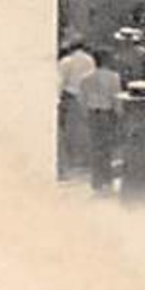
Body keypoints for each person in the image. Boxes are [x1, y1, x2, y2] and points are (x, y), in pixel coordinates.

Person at [78, 48, 123, 192]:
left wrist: (85, 114)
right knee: (107, 148)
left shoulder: (85, 78)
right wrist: (119, 114)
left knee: (95, 147)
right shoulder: (113, 77)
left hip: (92, 113)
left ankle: (96, 180)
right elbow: (115, 97)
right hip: (107, 113)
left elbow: (82, 99)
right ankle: (107, 180)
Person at [57, 34, 95, 178]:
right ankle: (85, 159)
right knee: (84, 127)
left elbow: (60, 82)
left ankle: (74, 160)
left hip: (71, 96)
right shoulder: (89, 60)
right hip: (87, 96)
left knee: (71, 129)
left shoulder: (66, 61)